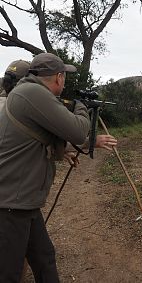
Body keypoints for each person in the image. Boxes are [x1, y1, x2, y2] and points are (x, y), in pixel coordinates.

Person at [0, 52, 117, 283]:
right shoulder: (32, 94)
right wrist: (83, 107)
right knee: (9, 273)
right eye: (64, 77)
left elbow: (48, 139)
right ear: (58, 77)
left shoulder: (29, 93)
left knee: (45, 259)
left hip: (25, 202)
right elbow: (76, 131)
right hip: (10, 204)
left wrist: (78, 146)